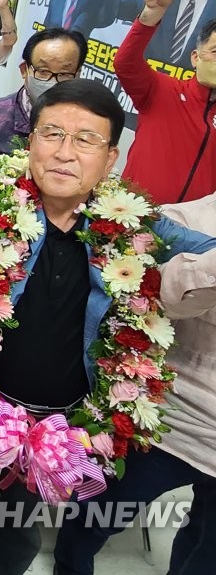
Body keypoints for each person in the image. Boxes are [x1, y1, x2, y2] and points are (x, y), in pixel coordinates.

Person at [0, 78, 216, 575]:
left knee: (23, 518)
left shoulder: (133, 225)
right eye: (52, 134)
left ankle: (1, 562)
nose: (64, 152)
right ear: (30, 141)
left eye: (85, 140)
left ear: (111, 158)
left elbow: (205, 251)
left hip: (59, 419)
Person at [53, 189, 216, 575]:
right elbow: (168, 297)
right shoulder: (184, 220)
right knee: (93, 518)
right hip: (168, 422)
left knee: (206, 552)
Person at [111, 0, 216, 204]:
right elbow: (125, 63)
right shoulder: (163, 90)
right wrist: (152, 13)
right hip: (132, 223)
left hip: (194, 236)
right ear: (195, 57)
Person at [0, 28, 87, 173]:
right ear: (24, 70)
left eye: (64, 74)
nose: (53, 82)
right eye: (43, 71)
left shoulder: (87, 125)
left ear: (78, 74)